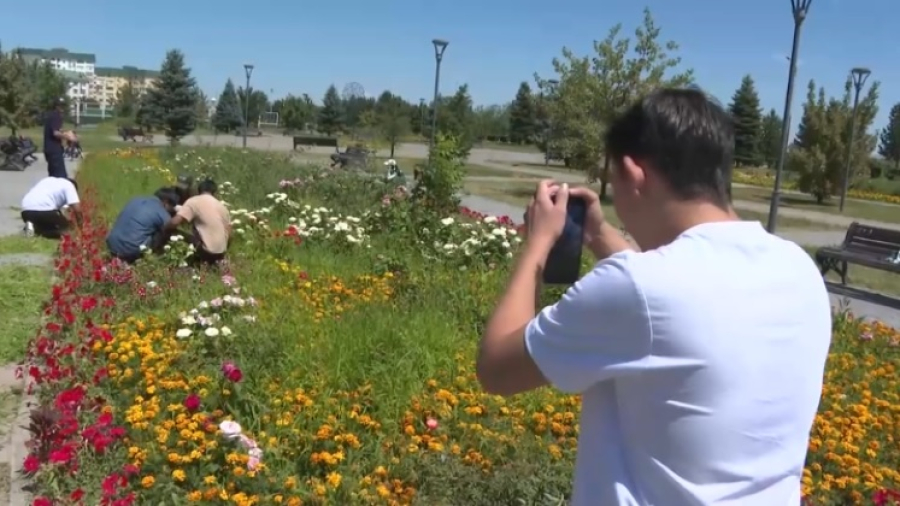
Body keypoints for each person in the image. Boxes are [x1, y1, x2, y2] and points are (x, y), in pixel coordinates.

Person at [476, 88, 831, 506]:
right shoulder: (797, 268)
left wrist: (537, 245)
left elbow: (497, 369)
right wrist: (596, 234)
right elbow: (676, 304)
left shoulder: (641, 289)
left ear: (634, 172)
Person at [163, 178, 231, 265]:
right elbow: (230, 234)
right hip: (221, 253)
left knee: (173, 232)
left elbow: (174, 222)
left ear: (199, 190)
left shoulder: (193, 201)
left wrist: (164, 227)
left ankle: (169, 258)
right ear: (215, 192)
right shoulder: (222, 207)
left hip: (206, 252)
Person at [106, 187, 181, 264]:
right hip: (130, 250)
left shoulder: (136, 199)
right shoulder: (161, 212)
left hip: (111, 243)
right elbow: (172, 225)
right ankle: (152, 257)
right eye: (172, 206)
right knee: (164, 230)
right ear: (166, 202)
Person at [43, 97, 76, 178]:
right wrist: (68, 137)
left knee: (53, 176)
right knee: (60, 177)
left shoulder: (52, 115)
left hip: (50, 149)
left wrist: (66, 132)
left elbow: (57, 130)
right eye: (61, 106)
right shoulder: (56, 116)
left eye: (64, 106)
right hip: (54, 150)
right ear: (56, 106)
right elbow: (55, 133)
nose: (63, 108)